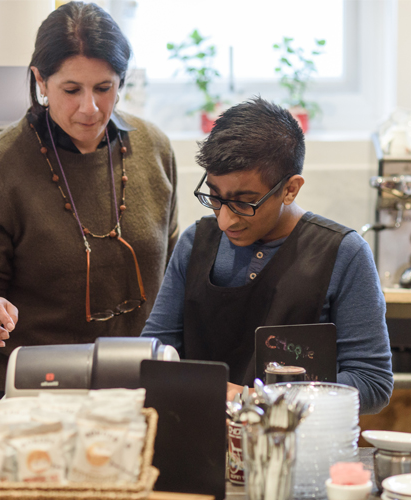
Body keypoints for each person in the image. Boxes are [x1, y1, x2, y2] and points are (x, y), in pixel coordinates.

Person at [0, 1, 179, 400]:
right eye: (71, 90)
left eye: (104, 88)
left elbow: (173, 276)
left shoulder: (153, 148)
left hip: (138, 386)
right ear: (40, 80)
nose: (90, 108)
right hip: (30, 396)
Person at [142, 97, 393, 415]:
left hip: (300, 449)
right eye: (215, 198)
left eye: (245, 202)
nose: (225, 220)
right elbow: (152, 353)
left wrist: (256, 399)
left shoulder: (343, 253)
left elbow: (372, 383)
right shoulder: (196, 243)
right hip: (200, 444)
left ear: (291, 189)